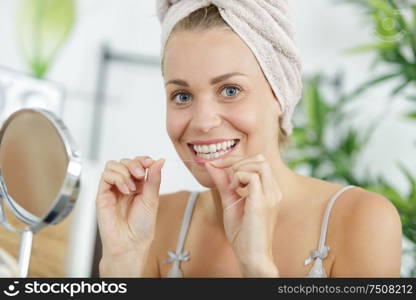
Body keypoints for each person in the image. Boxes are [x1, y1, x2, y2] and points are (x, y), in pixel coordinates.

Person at [95, 1, 402, 278]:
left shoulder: (362, 221)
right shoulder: (153, 223)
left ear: (280, 95)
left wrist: (257, 266)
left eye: (230, 90)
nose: (202, 122)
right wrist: (122, 265)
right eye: (182, 95)